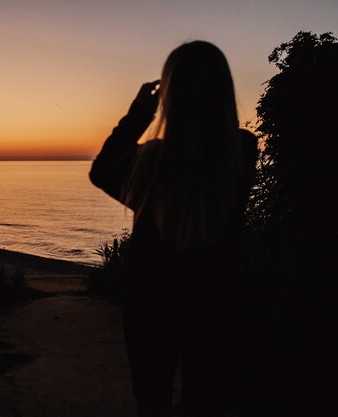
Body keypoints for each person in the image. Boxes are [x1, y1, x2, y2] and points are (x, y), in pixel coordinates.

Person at [89, 41, 258, 416]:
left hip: (151, 305)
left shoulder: (150, 164)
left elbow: (101, 170)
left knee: (152, 402)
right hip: (217, 302)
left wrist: (138, 115)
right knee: (208, 401)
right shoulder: (243, 152)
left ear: (169, 94)